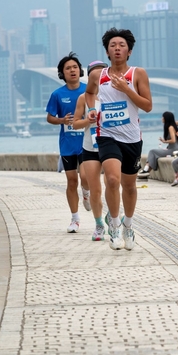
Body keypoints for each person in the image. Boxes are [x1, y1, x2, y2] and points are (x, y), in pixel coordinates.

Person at [85, 28, 152, 251]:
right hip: (107, 135)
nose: (117, 49)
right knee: (112, 179)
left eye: (122, 45)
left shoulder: (137, 74)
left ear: (129, 51)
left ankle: (128, 225)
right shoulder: (98, 75)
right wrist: (92, 110)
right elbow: (89, 93)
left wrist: (126, 89)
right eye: (112, 45)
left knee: (129, 186)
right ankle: (113, 225)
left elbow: (147, 106)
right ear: (107, 51)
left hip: (132, 137)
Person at [46, 52, 91, 233]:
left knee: (86, 177)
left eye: (75, 67)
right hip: (67, 144)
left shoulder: (89, 91)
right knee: (72, 181)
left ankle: (86, 193)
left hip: (87, 141)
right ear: (62, 73)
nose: (72, 70)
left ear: (80, 70)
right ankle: (75, 219)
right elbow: (50, 117)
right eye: (68, 68)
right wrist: (61, 120)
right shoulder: (57, 94)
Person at [72, 60, 109, 241]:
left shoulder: (113, 94)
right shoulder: (83, 98)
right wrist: (88, 120)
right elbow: (75, 123)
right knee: (95, 189)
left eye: (102, 72)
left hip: (111, 144)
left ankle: (113, 215)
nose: (98, 76)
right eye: (95, 73)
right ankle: (99, 224)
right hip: (90, 145)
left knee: (112, 183)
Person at [138, 111, 178, 177]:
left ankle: (146, 169)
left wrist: (164, 141)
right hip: (171, 148)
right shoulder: (171, 126)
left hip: (173, 150)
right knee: (154, 154)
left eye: (163, 117)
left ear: (166, 118)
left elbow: (173, 140)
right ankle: (146, 172)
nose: (162, 118)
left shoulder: (171, 127)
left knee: (152, 151)